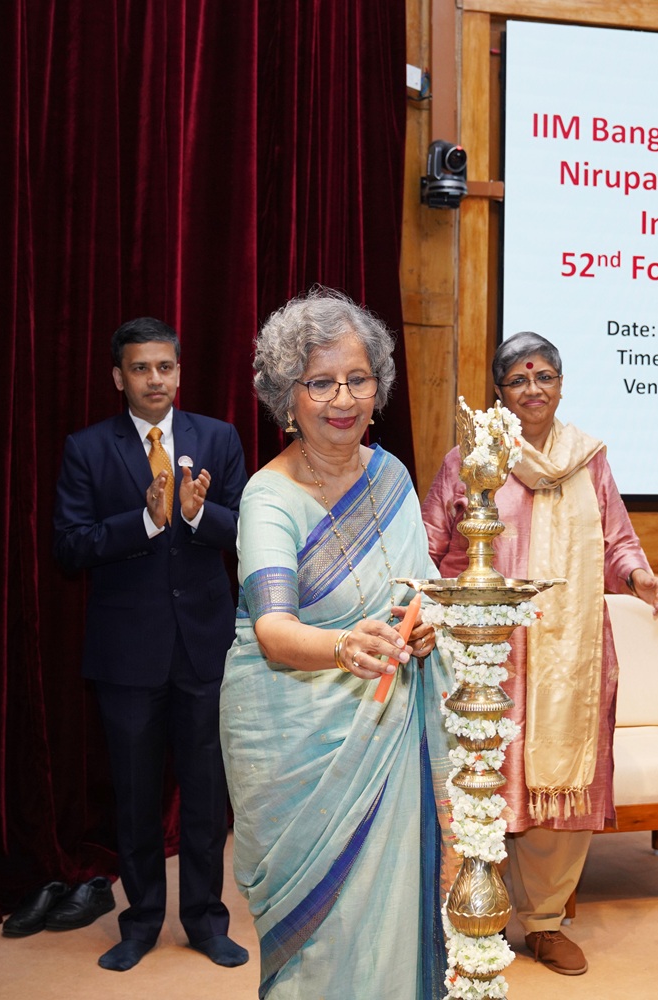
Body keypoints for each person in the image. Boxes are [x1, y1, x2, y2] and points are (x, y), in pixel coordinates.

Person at [221, 288, 449, 999]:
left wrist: (430, 617)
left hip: (393, 736)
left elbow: (424, 584)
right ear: (287, 399)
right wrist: (345, 647)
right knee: (329, 942)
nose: (341, 398)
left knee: (396, 918)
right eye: (320, 382)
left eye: (357, 378)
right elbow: (274, 630)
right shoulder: (269, 497)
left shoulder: (394, 478)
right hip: (301, 747)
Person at [421, 331, 658, 977]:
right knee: (484, 782)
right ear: (499, 392)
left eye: (545, 377)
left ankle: (547, 922)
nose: (533, 391)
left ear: (560, 384)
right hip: (486, 654)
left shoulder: (589, 460)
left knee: (561, 792)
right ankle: (476, 909)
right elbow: (431, 541)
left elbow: (617, 538)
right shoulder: (473, 458)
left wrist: (639, 575)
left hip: (569, 654)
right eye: (518, 380)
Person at [53, 316, 249, 972]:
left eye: (165, 366)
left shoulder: (217, 439)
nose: (155, 378)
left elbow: (245, 531)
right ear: (119, 378)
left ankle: (204, 920)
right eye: (141, 368)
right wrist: (144, 520)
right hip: (126, 655)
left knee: (204, 796)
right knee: (135, 800)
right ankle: (137, 924)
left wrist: (194, 514)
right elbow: (70, 546)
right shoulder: (87, 449)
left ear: (179, 372)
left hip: (202, 648)